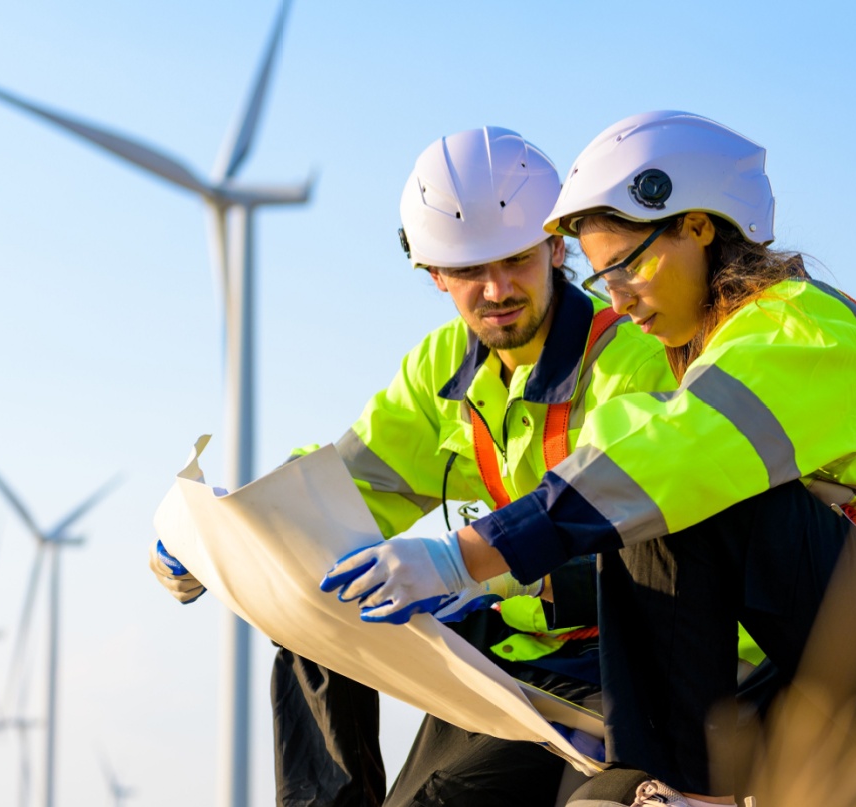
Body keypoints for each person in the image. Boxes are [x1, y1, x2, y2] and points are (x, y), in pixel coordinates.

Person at [322, 111, 856, 807]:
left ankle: (681, 784)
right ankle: (660, 781)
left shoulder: (795, 333)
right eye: (601, 278)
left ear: (697, 228)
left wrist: (463, 556)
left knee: (659, 491)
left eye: (626, 269)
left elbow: (663, 462)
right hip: (855, 668)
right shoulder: (714, 350)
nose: (618, 297)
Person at [152, 126, 679, 806]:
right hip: (523, 660)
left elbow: (653, 544)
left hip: (637, 661)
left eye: (516, 259)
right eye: (467, 270)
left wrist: (471, 571)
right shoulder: (439, 371)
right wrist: (221, 535)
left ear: (557, 247)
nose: (496, 289)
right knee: (320, 588)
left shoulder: (632, 360)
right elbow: (341, 493)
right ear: (434, 275)